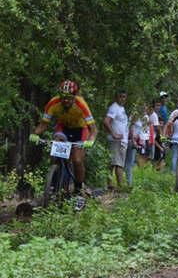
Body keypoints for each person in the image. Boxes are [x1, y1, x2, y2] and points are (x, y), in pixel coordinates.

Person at [29, 80, 98, 211]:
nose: (65, 101)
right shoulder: (53, 103)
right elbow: (44, 124)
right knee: (56, 148)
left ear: (74, 96)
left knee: (77, 160)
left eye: (69, 98)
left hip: (80, 130)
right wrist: (35, 134)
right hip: (64, 128)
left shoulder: (81, 104)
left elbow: (93, 129)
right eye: (63, 98)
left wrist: (90, 140)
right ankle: (54, 185)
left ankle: (78, 191)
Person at [104, 90, 129, 191]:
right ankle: (120, 186)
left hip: (121, 140)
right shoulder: (114, 107)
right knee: (118, 164)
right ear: (116, 97)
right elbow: (106, 121)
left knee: (113, 163)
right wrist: (113, 134)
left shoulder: (121, 108)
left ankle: (110, 184)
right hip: (117, 141)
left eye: (124, 97)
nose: (122, 99)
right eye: (120, 97)